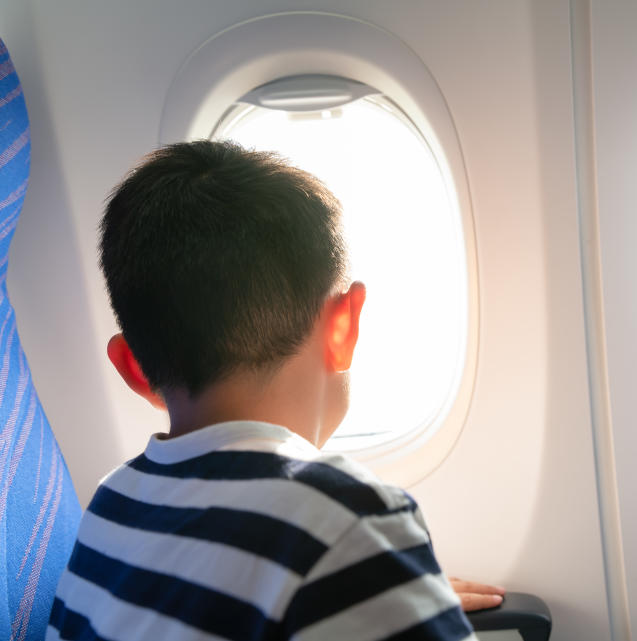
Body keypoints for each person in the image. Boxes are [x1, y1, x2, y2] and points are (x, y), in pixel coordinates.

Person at [47, 140, 504, 641]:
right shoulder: (349, 525)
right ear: (343, 328)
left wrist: (381, 596)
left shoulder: (111, 506)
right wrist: (379, 578)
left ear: (134, 369)